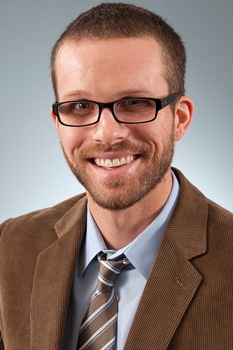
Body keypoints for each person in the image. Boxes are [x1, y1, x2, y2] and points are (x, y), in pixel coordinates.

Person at [0, 2, 232, 350]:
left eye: (134, 102)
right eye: (80, 106)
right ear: (58, 124)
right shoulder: (10, 247)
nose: (106, 134)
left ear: (180, 118)